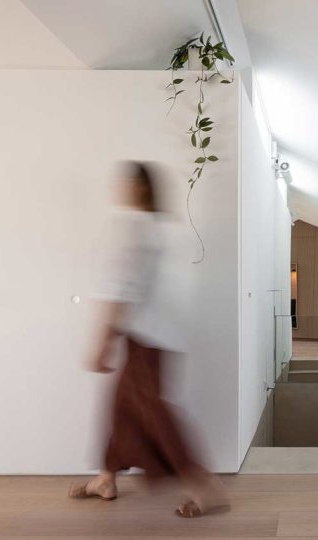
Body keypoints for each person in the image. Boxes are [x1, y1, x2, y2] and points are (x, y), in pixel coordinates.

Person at [68, 161, 226, 517]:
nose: (119, 187)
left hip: (145, 333)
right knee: (122, 405)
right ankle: (106, 477)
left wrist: (102, 339)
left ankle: (201, 484)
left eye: (126, 182)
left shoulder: (130, 227)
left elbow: (120, 287)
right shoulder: (156, 227)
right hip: (155, 332)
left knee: (151, 411)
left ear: (140, 188)